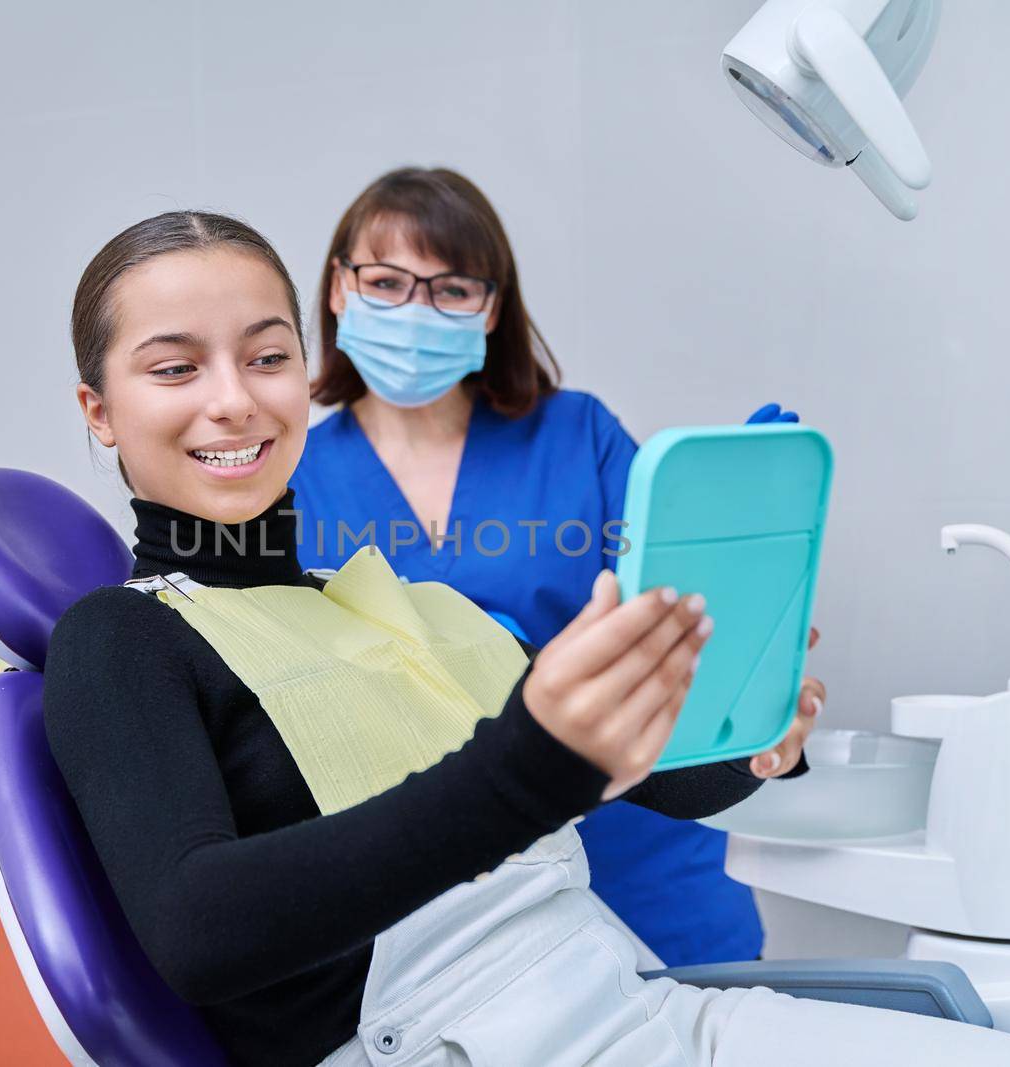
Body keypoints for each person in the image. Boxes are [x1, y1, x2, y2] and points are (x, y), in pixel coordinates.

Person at [44, 209, 1010, 1067]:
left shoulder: (410, 602)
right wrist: (529, 764)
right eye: (175, 366)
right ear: (100, 409)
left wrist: (744, 725)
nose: (234, 400)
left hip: (643, 1012)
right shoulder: (123, 639)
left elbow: (656, 782)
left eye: (267, 354)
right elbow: (199, 931)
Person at [289, 167, 814, 964]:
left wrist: (738, 568)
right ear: (338, 290)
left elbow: (681, 635)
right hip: (434, 902)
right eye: (386, 283)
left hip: (641, 856)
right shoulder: (288, 478)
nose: (414, 312)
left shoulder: (579, 436)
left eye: (451, 289)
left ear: (491, 308)